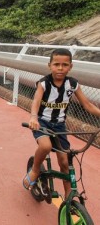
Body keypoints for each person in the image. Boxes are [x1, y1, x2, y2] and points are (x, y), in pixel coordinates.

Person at [23, 48, 100, 198]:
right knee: (46, 146)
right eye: (56, 64)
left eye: (65, 65)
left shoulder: (73, 84)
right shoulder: (44, 83)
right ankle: (35, 170)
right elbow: (36, 102)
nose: (60, 68)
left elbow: (87, 105)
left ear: (70, 67)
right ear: (49, 65)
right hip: (42, 122)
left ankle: (69, 197)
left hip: (59, 126)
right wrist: (33, 117)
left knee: (65, 162)